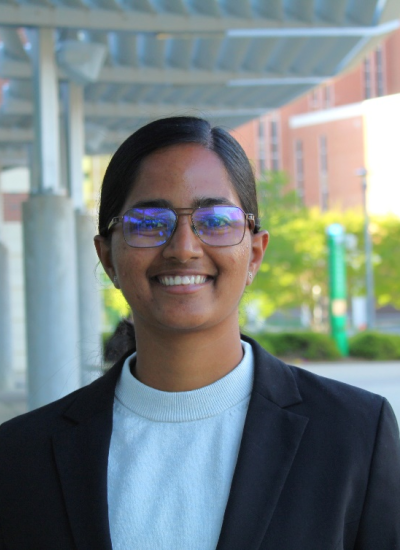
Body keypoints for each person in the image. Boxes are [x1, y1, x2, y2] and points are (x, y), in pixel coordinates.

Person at [0, 116, 399, 550]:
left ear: (255, 254)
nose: (184, 248)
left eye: (215, 220)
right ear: (108, 257)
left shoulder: (355, 433)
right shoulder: (21, 455)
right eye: (149, 222)